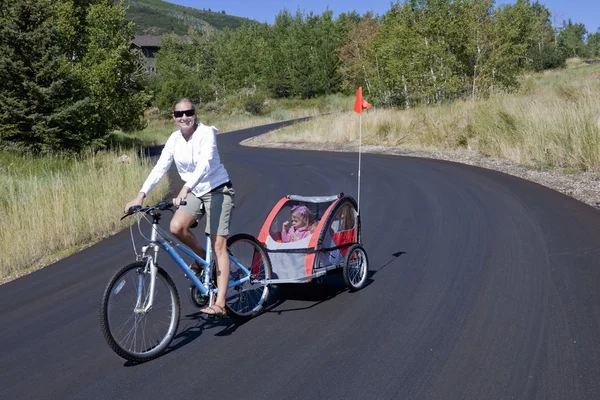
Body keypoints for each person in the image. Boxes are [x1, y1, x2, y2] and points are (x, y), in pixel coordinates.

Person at [124, 98, 234, 318]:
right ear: (173, 118)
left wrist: (185, 188)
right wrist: (140, 195)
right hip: (194, 192)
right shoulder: (174, 140)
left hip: (217, 189)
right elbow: (160, 167)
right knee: (176, 227)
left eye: (188, 112)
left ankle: (220, 302)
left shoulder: (206, 133)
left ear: (195, 113)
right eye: (179, 114)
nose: (184, 117)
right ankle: (204, 260)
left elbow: (205, 163)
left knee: (218, 245)